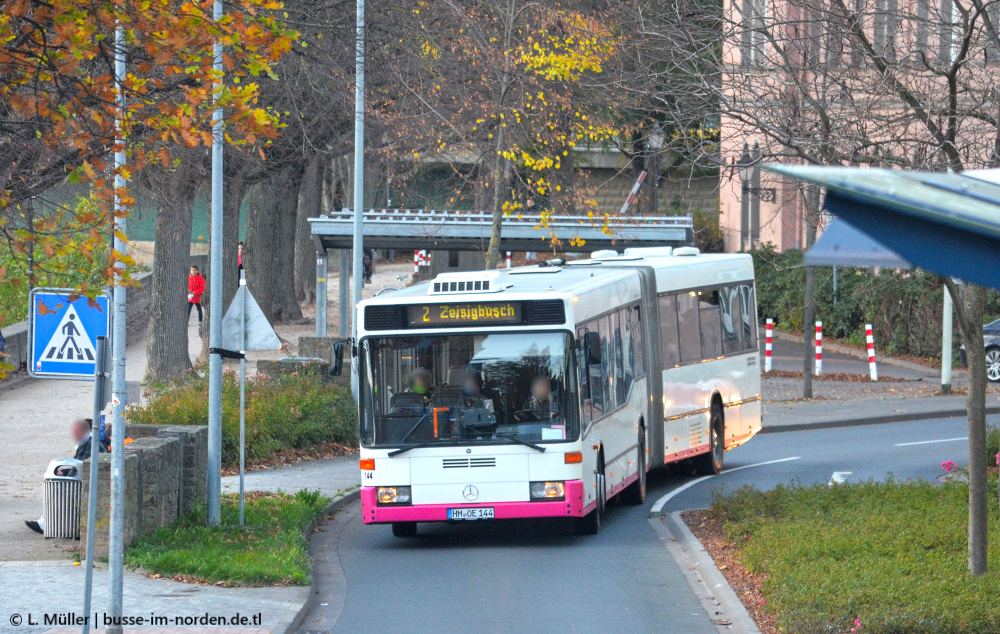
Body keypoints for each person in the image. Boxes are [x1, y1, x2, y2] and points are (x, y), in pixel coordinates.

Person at [25, 418, 106, 535]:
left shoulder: (90, 444)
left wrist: (65, 473)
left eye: (76, 432)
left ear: (85, 431)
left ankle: (46, 523)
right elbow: (81, 465)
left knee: (57, 488)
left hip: (90, 484)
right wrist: (64, 473)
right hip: (90, 481)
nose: (74, 435)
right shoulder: (90, 442)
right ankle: (47, 521)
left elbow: (83, 466)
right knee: (57, 485)